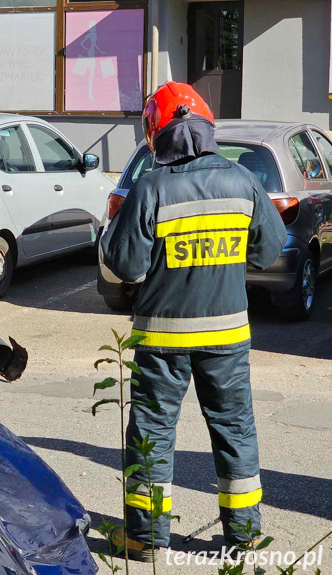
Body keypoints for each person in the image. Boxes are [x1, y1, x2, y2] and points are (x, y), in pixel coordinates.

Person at [100, 82, 286, 561]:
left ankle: (145, 539)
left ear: (156, 134)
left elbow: (124, 264)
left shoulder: (150, 186)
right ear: (206, 129)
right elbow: (268, 251)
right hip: (228, 337)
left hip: (162, 339)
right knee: (234, 431)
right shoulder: (243, 180)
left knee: (152, 435)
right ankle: (244, 538)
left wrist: (110, 231)